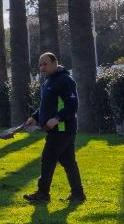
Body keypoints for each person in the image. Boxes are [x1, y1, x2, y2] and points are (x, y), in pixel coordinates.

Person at [8, 52, 84, 205]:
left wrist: (57, 119)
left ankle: (43, 194)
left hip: (62, 128)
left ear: (55, 62)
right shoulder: (49, 81)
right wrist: (35, 117)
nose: (42, 67)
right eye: (40, 64)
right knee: (68, 161)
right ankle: (78, 194)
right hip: (58, 129)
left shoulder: (65, 80)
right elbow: (47, 106)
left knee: (48, 158)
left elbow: (72, 105)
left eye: (45, 64)